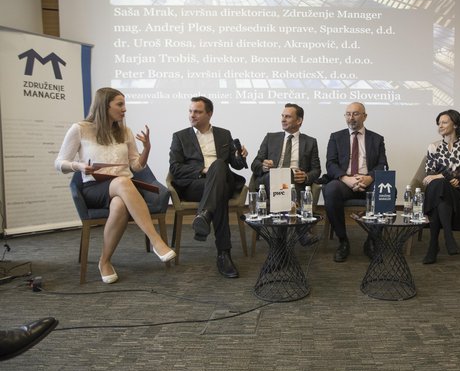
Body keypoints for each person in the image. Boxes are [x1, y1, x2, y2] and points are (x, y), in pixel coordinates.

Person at [55, 87, 176, 284]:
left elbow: (136, 165)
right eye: (120, 104)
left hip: (124, 188)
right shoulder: (80, 129)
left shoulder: (125, 132)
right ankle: (156, 240)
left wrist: (147, 149)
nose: (124, 109)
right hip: (95, 188)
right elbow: (59, 163)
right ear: (105, 106)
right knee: (122, 182)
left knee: (119, 203)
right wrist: (79, 166)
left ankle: (104, 261)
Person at [169, 96, 248, 278]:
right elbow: (175, 168)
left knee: (219, 165)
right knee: (218, 191)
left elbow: (235, 165)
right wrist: (203, 169)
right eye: (190, 111)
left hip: (224, 181)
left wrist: (240, 156)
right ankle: (224, 254)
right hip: (196, 184)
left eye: (197, 112)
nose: (192, 115)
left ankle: (204, 215)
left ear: (209, 114)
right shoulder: (180, 137)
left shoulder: (223, 134)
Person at [323, 102, 388, 262]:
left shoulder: (377, 138)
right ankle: (343, 240)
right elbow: (331, 164)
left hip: (368, 181)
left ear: (365, 116)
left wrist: (370, 177)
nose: (351, 117)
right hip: (345, 182)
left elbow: (382, 164)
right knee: (331, 190)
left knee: (388, 191)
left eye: (356, 113)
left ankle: (372, 240)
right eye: (348, 114)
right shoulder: (336, 137)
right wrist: (347, 179)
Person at [421, 110, 460, 264]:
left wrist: (441, 176)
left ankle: (433, 246)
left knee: (440, 189)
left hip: (457, 190)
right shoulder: (433, 146)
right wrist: (447, 177)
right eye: (439, 123)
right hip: (439, 188)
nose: (440, 126)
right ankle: (448, 238)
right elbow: (429, 172)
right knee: (440, 186)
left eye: (444, 122)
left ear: (455, 124)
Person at [250, 103, 321, 195]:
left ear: (299, 120)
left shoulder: (310, 142)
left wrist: (306, 176)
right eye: (282, 116)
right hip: (270, 180)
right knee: (275, 175)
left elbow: (316, 170)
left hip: (295, 183)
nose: (283, 120)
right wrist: (264, 167)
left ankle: (282, 206)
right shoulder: (270, 138)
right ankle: (284, 206)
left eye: (288, 117)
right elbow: (255, 164)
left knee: (289, 174)